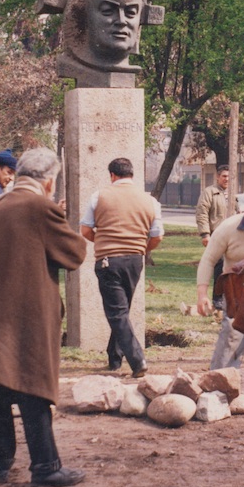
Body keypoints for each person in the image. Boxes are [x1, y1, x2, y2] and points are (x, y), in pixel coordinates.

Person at [0, 147, 87, 487]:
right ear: (49, 181)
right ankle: (46, 467)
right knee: (32, 384)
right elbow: (73, 254)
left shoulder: (0, 204)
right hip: (24, 314)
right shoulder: (39, 206)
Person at [81, 157, 164, 378]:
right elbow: (157, 236)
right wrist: (141, 247)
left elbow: (85, 229)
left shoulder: (99, 196)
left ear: (112, 175)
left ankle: (137, 360)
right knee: (122, 310)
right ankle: (114, 357)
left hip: (108, 260)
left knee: (117, 313)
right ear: (131, 175)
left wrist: (103, 240)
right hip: (135, 260)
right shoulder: (150, 201)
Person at [197, 191, 244, 369]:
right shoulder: (228, 228)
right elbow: (208, 259)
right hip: (238, 287)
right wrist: (202, 293)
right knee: (233, 333)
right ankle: (220, 378)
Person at [196, 164, 230, 310]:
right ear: (218, 177)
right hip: (216, 236)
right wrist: (205, 234)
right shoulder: (210, 192)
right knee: (219, 267)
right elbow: (202, 213)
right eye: (224, 176)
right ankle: (217, 299)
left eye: (229, 177)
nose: (226, 179)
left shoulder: (233, 194)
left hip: (232, 237)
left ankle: (229, 298)